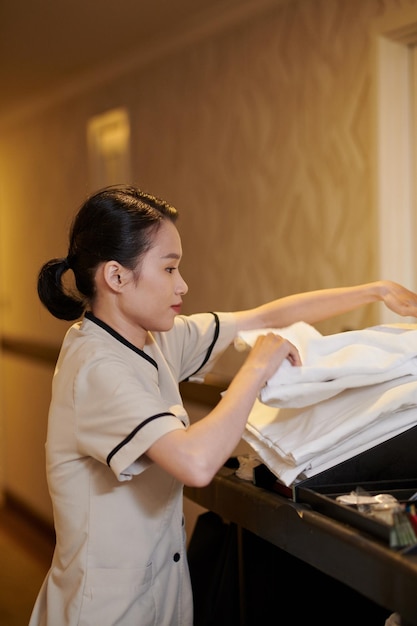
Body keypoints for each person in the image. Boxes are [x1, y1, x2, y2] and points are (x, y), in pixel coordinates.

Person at [30, 184, 417, 626]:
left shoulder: (153, 339)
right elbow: (194, 463)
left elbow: (264, 317)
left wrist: (376, 291)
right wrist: (257, 368)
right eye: (170, 268)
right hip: (105, 611)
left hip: (157, 597)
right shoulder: (96, 368)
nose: (183, 284)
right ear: (116, 277)